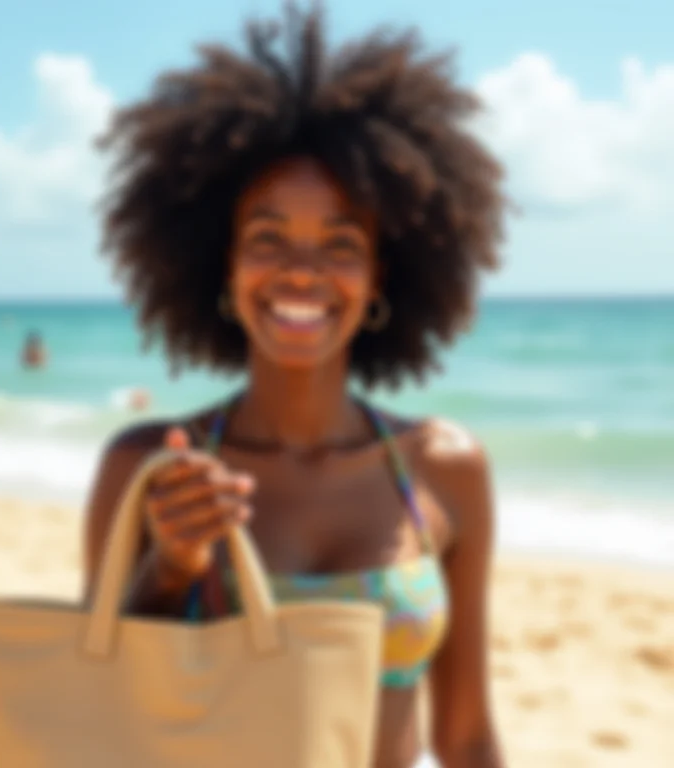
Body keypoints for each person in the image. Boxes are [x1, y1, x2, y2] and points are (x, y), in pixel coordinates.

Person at [85, 6, 507, 767]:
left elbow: (467, 737)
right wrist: (170, 570)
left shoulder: (446, 468)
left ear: (380, 275)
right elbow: (95, 713)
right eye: (268, 238)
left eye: (340, 244)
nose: (302, 273)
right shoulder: (149, 470)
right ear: (223, 264)